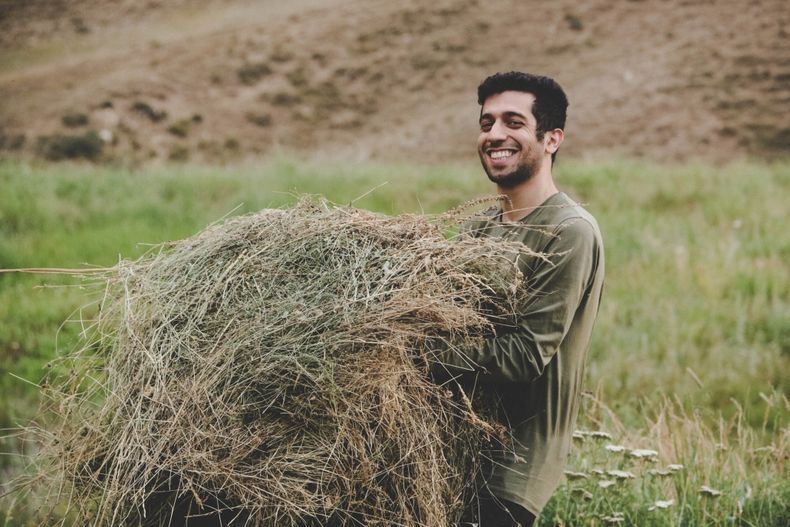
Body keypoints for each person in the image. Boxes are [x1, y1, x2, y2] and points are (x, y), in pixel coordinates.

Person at [434, 71, 605, 526]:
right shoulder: (476, 228)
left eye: (513, 122)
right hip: (451, 453)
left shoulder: (569, 231)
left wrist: (417, 351)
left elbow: (525, 355)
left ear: (552, 139)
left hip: (513, 470)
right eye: (487, 123)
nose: (495, 134)